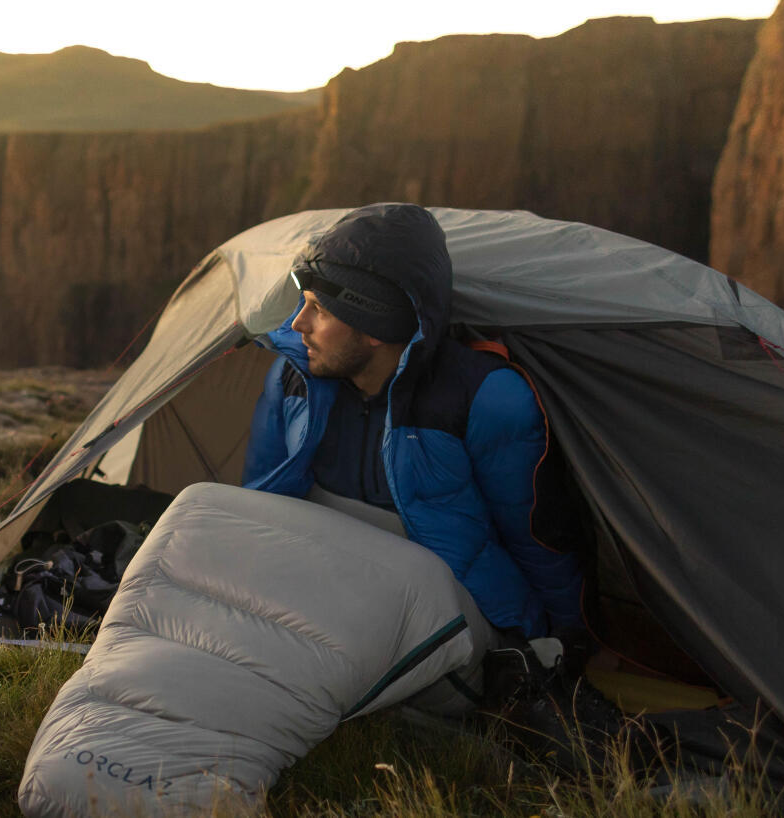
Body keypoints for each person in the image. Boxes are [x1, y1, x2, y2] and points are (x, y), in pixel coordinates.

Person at [241, 203, 617, 759]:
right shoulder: (295, 380)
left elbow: (537, 540)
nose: (297, 324)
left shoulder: (485, 399)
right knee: (197, 518)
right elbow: (258, 508)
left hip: (446, 630)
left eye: (318, 309)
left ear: (375, 326)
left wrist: (568, 644)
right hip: (322, 601)